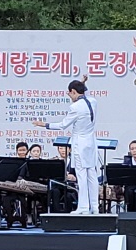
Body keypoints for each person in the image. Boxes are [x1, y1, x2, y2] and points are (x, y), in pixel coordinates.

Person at [33, 78, 99, 214]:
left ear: (74, 91)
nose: (70, 96)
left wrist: (44, 124)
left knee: (81, 175)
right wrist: (82, 83)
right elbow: (83, 94)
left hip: (80, 143)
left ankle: (83, 207)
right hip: (91, 142)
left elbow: (63, 125)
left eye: (70, 93)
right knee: (92, 174)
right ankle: (95, 206)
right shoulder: (93, 101)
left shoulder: (75, 107)